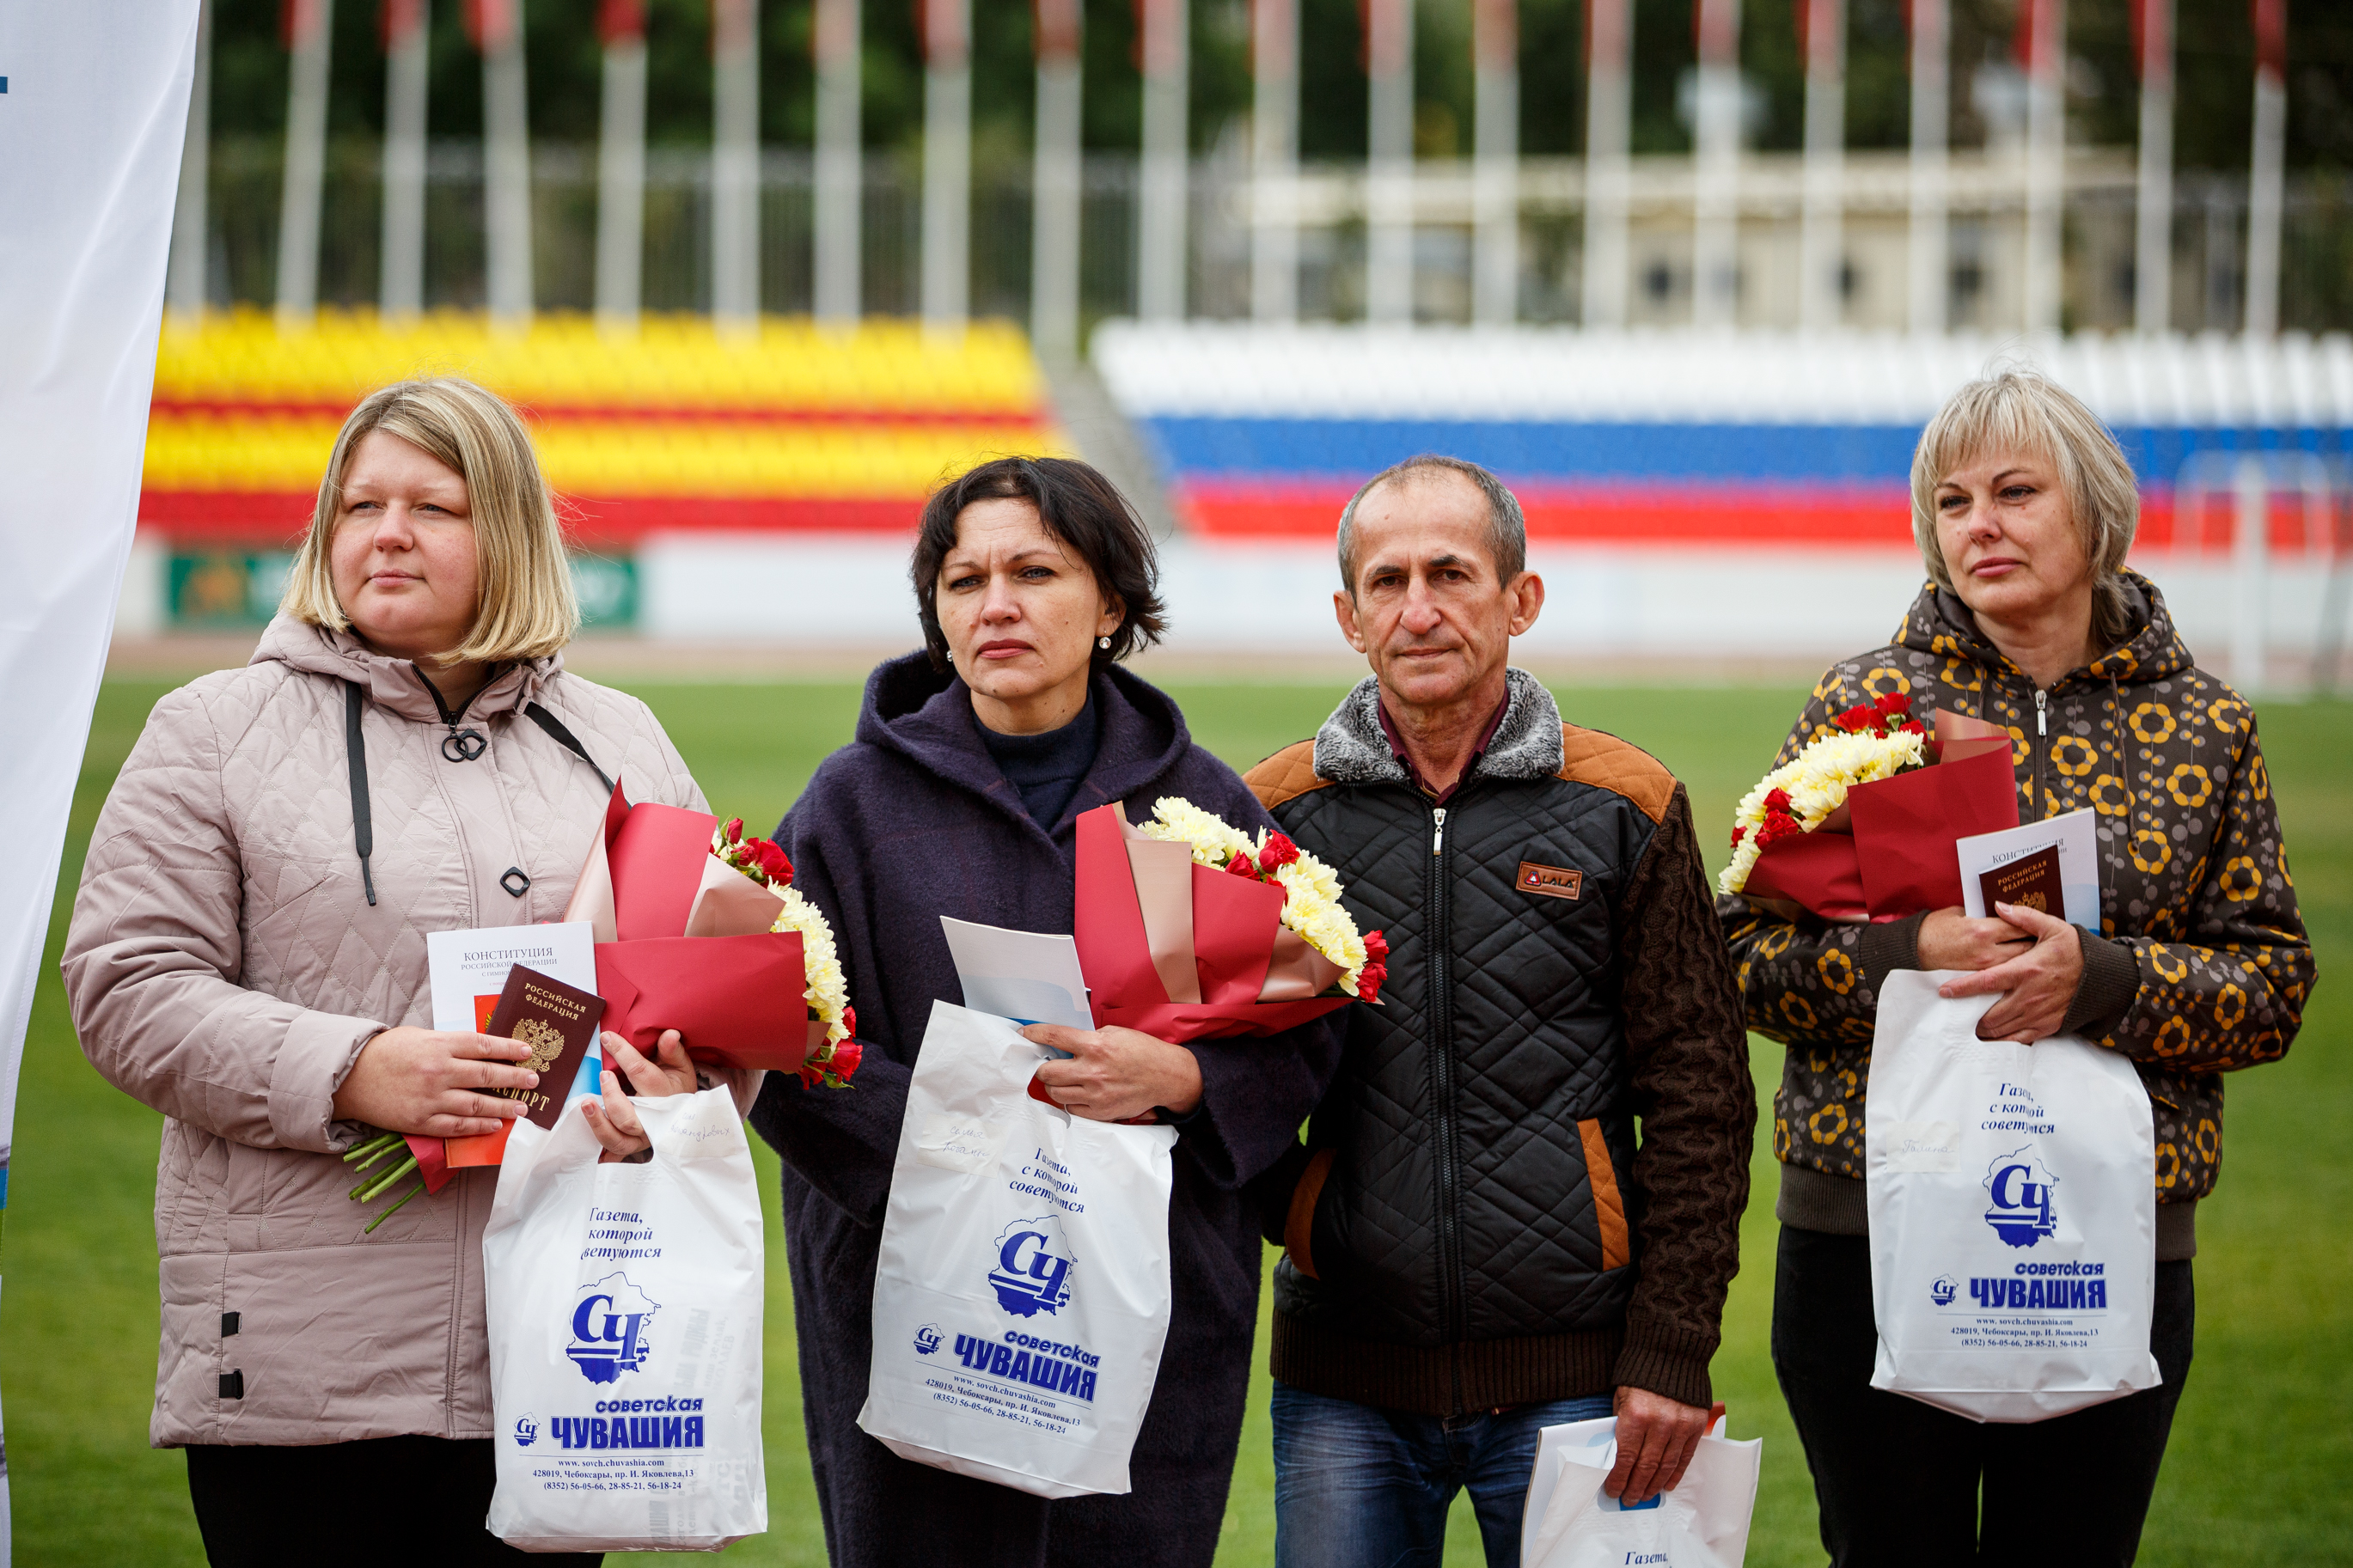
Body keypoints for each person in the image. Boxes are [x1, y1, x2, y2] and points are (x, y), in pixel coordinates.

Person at [62, 377, 714, 1566]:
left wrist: (670, 1098)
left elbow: (685, 996)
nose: (388, 532)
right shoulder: (214, 728)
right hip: (309, 1363)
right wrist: (357, 1070)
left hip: (560, 1344)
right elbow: (127, 984)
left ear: (508, 531)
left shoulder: (624, 741)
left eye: (433, 505)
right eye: (359, 504)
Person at [1720, 368, 2314, 1566]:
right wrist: (1908, 951)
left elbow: (2269, 986)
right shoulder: (1864, 708)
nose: (1976, 522)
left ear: (2093, 512)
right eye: (1949, 501)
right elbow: (1741, 953)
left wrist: (2099, 979)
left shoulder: (2207, 724)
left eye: (2012, 491)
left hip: (2108, 1229)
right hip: (1867, 1229)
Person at [749, 455, 1347, 1567]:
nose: (998, 604)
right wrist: (957, 1140)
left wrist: (1184, 1082)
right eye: (964, 579)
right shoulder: (848, 804)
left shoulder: (1198, 802)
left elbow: (1310, 1024)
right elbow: (783, 1038)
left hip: (1150, 1295)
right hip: (911, 1288)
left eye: (1035, 570)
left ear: (1110, 601)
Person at [1242, 454, 1757, 1568]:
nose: (1417, 608)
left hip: (1578, 1384)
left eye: (1450, 573)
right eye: (1386, 581)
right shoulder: (1276, 817)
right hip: (1343, 1385)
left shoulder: (1626, 803)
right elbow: (1221, 1073)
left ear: (1519, 598)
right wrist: (1309, 1217)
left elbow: (1699, 1096)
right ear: (1347, 614)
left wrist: (1670, 1346)